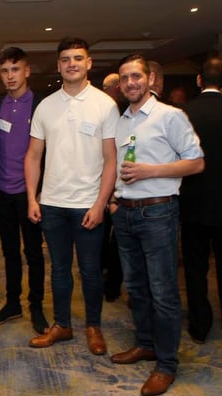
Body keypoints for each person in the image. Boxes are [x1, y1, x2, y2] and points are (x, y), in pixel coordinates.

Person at [109, 54, 204, 396]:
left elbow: (196, 163)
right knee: (135, 288)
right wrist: (114, 201)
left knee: (163, 292)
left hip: (158, 213)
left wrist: (151, 171)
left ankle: (166, 365)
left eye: (136, 76)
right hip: (126, 213)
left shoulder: (170, 116)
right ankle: (145, 344)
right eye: (124, 78)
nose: (130, 83)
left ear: (149, 79)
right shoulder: (120, 121)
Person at [24, 36, 118, 356]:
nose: (72, 64)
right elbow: (33, 156)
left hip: (88, 206)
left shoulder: (105, 104)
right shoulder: (46, 106)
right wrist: (32, 199)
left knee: (91, 270)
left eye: (78, 58)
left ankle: (93, 327)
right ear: (59, 65)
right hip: (52, 204)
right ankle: (62, 325)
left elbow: (111, 160)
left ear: (88, 63)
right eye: (66, 59)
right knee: (59, 269)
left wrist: (101, 203)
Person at [0, 47, 48, 335]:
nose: (10, 76)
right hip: (3, 192)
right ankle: (12, 303)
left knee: (33, 253)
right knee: (9, 251)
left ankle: (36, 305)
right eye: (5, 71)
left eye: (15, 69)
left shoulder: (41, 106)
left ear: (27, 71)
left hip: (30, 194)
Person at [180, 55, 222, 343]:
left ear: (199, 80)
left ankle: (200, 324)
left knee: (195, 268)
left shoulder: (183, 113)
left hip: (193, 202)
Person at [100, 74, 125, 302]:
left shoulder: (125, 111)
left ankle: (112, 284)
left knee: (116, 240)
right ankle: (106, 280)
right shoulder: (105, 110)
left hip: (120, 190)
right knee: (102, 237)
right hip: (102, 187)